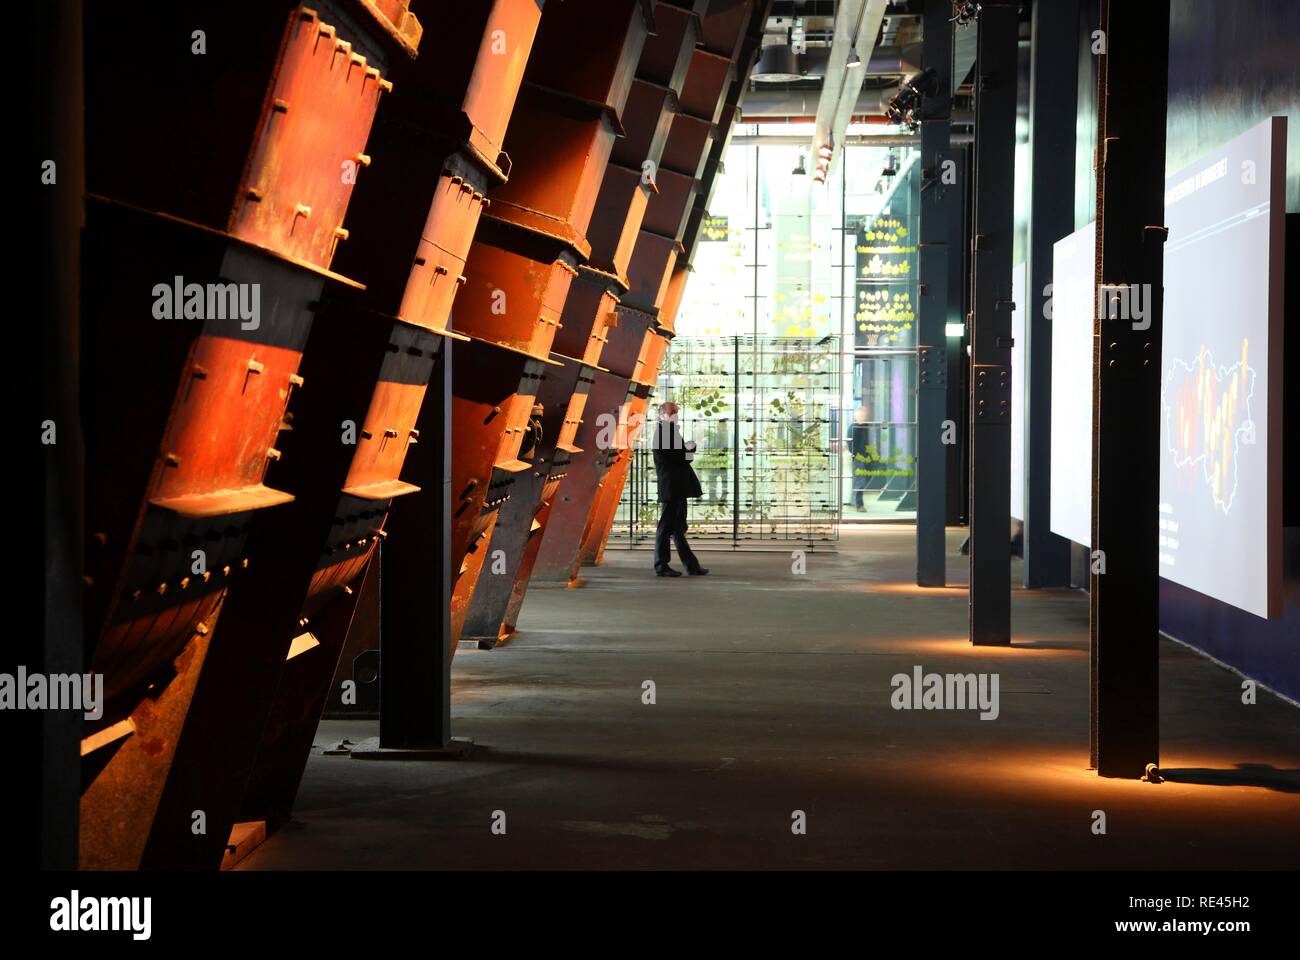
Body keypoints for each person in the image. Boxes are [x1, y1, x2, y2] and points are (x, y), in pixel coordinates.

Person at [651, 402, 708, 577]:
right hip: (673, 486)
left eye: (676, 411)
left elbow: (681, 458)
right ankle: (661, 565)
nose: (675, 414)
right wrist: (689, 450)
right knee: (668, 526)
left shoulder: (669, 432)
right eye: (672, 412)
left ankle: (691, 565)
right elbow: (679, 459)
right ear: (661, 415)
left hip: (675, 486)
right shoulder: (665, 434)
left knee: (676, 527)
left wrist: (688, 450)